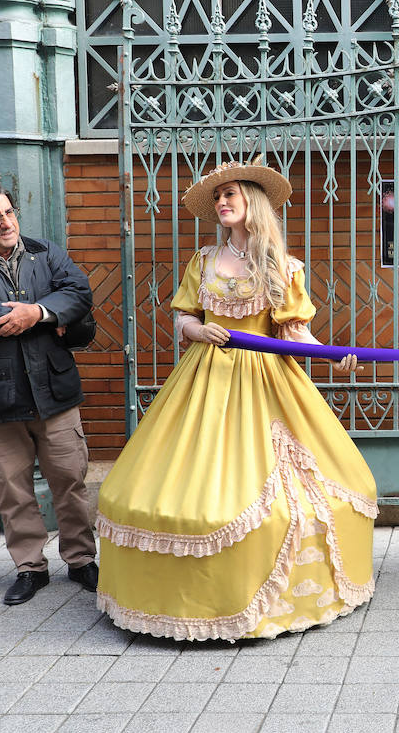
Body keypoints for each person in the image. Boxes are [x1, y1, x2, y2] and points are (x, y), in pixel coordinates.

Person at [95, 161, 375, 641]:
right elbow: (182, 318)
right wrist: (197, 329)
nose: (223, 202)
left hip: (269, 383)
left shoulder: (284, 268)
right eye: (218, 196)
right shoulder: (202, 261)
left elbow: (295, 332)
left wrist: (333, 356)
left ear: (253, 202)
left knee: (303, 494)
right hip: (204, 380)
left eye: (231, 195)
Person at [0, 183, 98, 606]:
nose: (7, 222)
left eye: (8, 212)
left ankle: (81, 560)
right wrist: (35, 313)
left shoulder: (45, 251)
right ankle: (30, 568)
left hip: (54, 392)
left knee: (70, 481)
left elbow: (79, 293)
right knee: (13, 490)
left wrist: (38, 312)